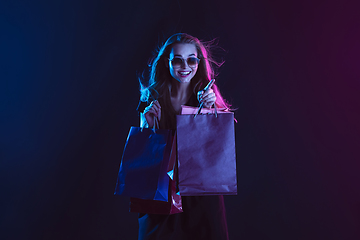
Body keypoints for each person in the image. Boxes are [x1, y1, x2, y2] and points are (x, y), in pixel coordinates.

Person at [136, 33, 231, 240]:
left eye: (191, 60)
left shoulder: (207, 93)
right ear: (167, 62)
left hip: (201, 189)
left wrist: (211, 109)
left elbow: (221, 138)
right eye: (177, 60)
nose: (185, 66)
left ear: (198, 62)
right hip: (161, 188)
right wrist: (148, 125)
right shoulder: (152, 96)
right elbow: (143, 152)